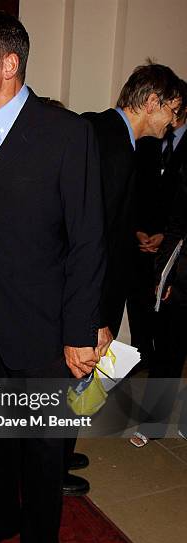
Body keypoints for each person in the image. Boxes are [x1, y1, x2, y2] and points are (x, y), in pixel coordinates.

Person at [0, 11, 105, 543]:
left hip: (44, 328)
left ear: (8, 63)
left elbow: (89, 238)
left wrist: (79, 328)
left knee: (44, 450)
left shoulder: (66, 133)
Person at [82, 62, 183, 362]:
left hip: (87, 298)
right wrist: (97, 318)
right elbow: (95, 237)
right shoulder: (116, 148)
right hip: (91, 307)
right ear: (152, 103)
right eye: (173, 110)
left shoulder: (99, 128)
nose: (175, 121)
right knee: (79, 396)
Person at [127, 81, 187, 371]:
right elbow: (134, 189)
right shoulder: (145, 140)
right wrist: (139, 229)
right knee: (165, 346)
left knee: (171, 345)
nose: (173, 120)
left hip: (177, 258)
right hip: (156, 250)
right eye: (171, 110)